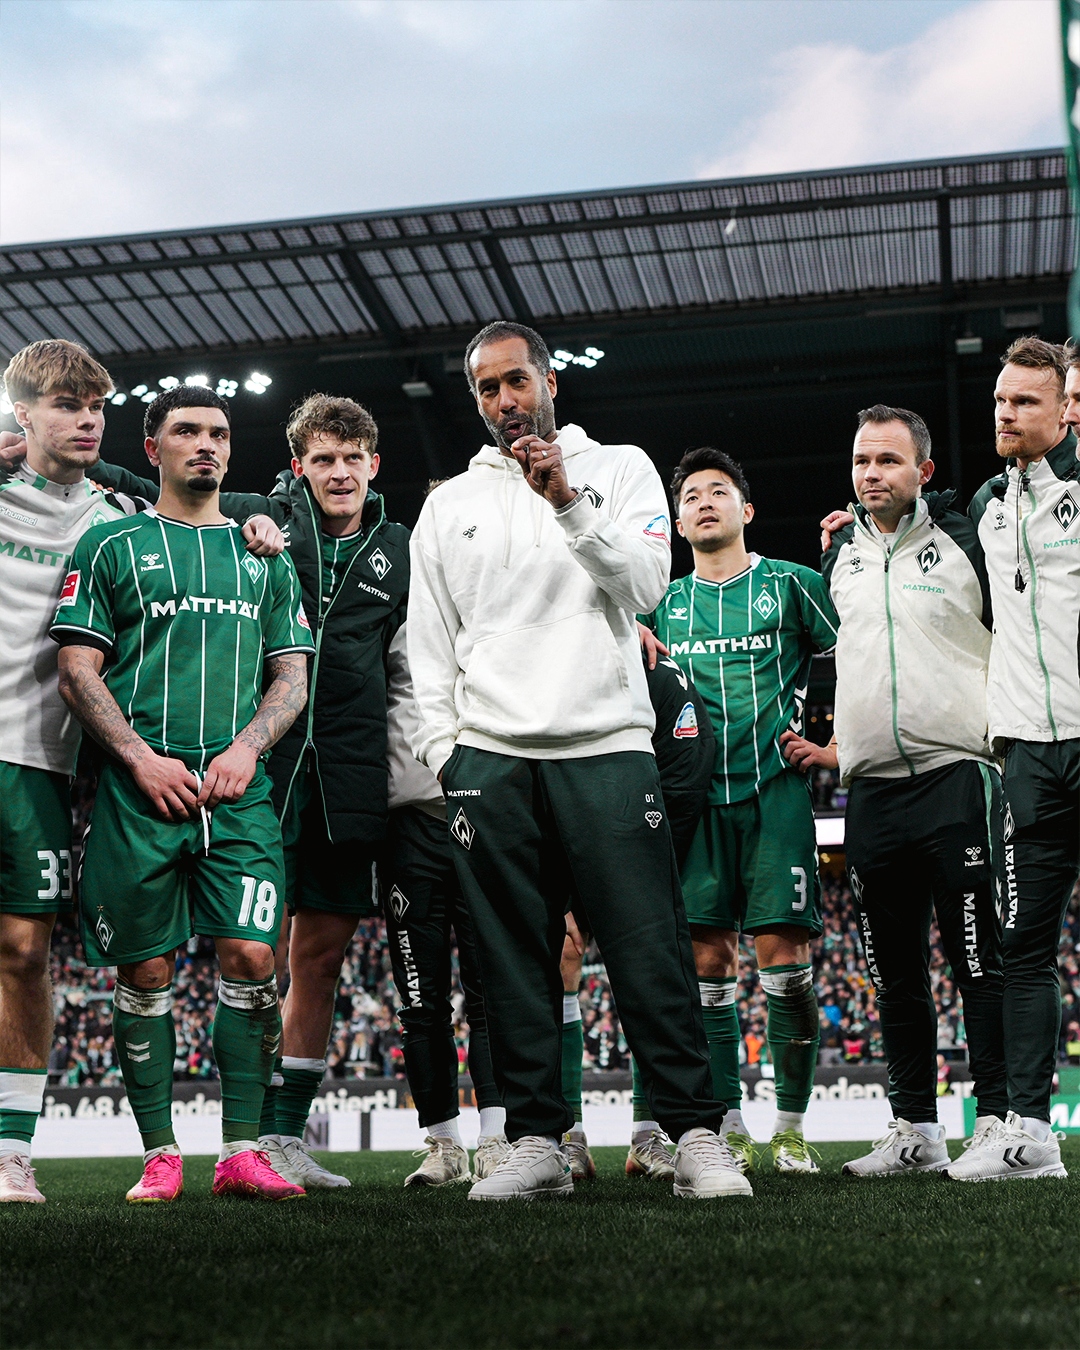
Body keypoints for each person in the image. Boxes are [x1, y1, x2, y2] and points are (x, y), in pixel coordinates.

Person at [407, 320, 747, 1200]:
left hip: (606, 745)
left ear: (549, 381)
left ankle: (694, 1133)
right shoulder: (449, 505)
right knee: (513, 963)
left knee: (649, 948)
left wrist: (567, 500)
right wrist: (447, 755)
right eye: (487, 388)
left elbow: (648, 585)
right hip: (490, 758)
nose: (505, 400)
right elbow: (430, 644)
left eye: (516, 380)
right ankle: (536, 1142)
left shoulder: (621, 468)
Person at [89, 393, 410, 1190]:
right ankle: (188, 1147)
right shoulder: (247, 521)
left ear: (375, 465)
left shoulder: (396, 547)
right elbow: (153, 488)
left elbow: (426, 639)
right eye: (323, 458)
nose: (340, 471)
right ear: (298, 468)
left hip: (335, 773)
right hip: (235, 773)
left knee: (299, 956)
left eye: (354, 457)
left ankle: (269, 1141)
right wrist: (56, 453)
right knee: (204, 959)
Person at [0, 342, 279, 1205]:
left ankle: (11, 1151)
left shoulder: (112, 515)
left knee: (22, 951)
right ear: (21, 416)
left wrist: (265, 519)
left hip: (38, 755)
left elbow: (196, 506)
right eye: (65, 405)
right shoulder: (11, 494)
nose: (86, 421)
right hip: (78, 765)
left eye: (96, 407)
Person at [50, 385, 314, 1202]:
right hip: (141, 791)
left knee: (254, 956)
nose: (207, 444)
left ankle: (242, 1151)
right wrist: (138, 758)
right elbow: (76, 669)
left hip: (238, 791)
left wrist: (247, 747)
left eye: (220, 433)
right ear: (153, 447)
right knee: (146, 968)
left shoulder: (261, 553)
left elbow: (292, 674)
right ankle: (160, 1155)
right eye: (188, 431)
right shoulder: (110, 543)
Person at [790, 404, 1006, 1177]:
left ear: (924, 470)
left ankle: (1000, 1122)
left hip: (958, 775)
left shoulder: (969, 537)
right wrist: (836, 749)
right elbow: (844, 657)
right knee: (892, 976)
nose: (871, 473)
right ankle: (915, 1128)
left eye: (888, 460)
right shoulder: (839, 556)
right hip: (872, 792)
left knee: (978, 962)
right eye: (861, 461)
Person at [642, 446, 838, 1175]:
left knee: (784, 958)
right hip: (692, 803)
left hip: (773, 793)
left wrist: (837, 745)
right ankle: (727, 1124)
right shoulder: (660, 606)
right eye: (691, 495)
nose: (704, 501)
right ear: (677, 523)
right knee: (707, 962)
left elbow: (869, 650)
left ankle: (790, 1129)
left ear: (746, 509)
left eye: (718, 490)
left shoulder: (792, 585)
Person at [950, 336, 1077, 1180]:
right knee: (1024, 946)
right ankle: (1031, 1135)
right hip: (1027, 755)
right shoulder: (990, 502)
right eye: (1000, 399)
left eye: (1026, 400)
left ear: (1066, 411)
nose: (1006, 412)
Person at [558, 651, 716, 1183]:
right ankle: (568, 1137)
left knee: (646, 967)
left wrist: (646, 860)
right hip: (571, 829)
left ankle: (648, 1135)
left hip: (641, 834)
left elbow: (688, 771)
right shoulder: (552, 663)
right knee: (563, 955)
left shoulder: (658, 674)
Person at [381, 619, 508, 1187]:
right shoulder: (392, 617)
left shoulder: (493, 608)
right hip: (411, 825)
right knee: (419, 999)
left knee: (490, 993)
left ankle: (497, 1138)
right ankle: (443, 1144)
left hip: (485, 816)